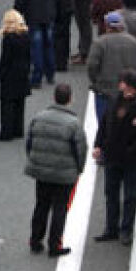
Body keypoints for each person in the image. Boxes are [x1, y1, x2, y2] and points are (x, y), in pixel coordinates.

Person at [26, 83, 87, 257]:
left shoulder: (39, 117)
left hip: (41, 171)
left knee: (41, 205)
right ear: (70, 99)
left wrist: (35, 161)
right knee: (60, 209)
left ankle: (35, 240)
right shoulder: (74, 123)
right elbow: (81, 149)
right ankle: (54, 245)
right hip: (64, 174)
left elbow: (30, 143)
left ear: (54, 97)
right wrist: (79, 169)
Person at [93, 84, 136, 246]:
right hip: (112, 156)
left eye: (126, 85)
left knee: (130, 196)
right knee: (111, 193)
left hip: (132, 160)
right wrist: (98, 145)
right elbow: (104, 124)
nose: (122, 87)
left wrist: (134, 149)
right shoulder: (114, 100)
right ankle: (111, 228)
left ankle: (126, 230)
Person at [14, 0, 65, 87]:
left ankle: (37, 78)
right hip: (49, 15)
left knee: (36, 47)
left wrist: (17, 15)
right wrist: (59, 14)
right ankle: (50, 74)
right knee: (49, 44)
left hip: (33, 16)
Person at [86, 11, 136, 126]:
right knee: (125, 124)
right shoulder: (134, 42)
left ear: (107, 25)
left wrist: (96, 81)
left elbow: (92, 66)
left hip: (105, 90)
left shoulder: (100, 43)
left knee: (104, 124)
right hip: (128, 91)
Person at [0, 10, 32, 140]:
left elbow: (5, 58)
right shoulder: (26, 36)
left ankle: (7, 132)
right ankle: (18, 129)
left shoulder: (8, 38)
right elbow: (28, 56)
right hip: (23, 73)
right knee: (20, 103)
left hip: (10, 75)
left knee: (7, 104)